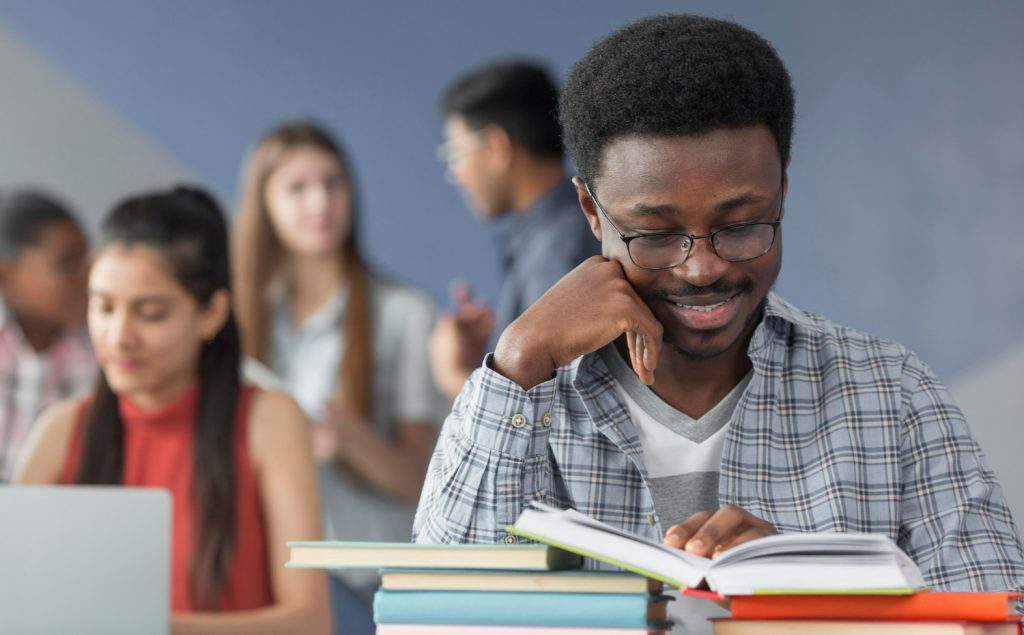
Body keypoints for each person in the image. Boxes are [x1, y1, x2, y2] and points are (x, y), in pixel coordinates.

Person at [414, 12, 1024, 606]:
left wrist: (815, 602)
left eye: (740, 225)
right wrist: (518, 360)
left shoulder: (893, 398)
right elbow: (436, 613)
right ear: (592, 211)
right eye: (654, 234)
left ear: (783, 188)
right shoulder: (525, 399)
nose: (702, 268)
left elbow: (1001, 616)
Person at [14, 186, 330, 634]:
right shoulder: (61, 431)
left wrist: (148, 628)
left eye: (151, 313)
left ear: (212, 313)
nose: (118, 335)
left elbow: (310, 621)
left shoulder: (268, 421)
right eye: (103, 307)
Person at [233, 121, 441, 635]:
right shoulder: (237, 321)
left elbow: (422, 484)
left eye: (332, 183)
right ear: (263, 204)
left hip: (374, 580)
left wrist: (347, 439)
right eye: (298, 188)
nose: (320, 201)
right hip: (271, 581)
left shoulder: (404, 314)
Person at [430, 60, 599, 399]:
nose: (456, 174)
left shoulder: (555, 249)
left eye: (456, 155)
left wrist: (454, 375)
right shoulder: (564, 231)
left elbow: (552, 410)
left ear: (496, 148)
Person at [0, 190, 94, 483]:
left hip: (62, 521)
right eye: (67, 263)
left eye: (85, 263)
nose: (86, 279)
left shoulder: (100, 349)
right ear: (7, 273)